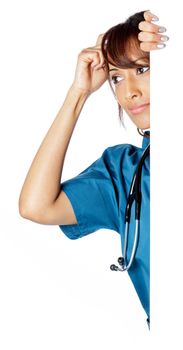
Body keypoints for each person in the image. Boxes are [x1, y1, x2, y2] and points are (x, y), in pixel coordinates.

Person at [19, 10, 168, 328]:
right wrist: (79, 93)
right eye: (116, 77)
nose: (129, 92)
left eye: (142, 69)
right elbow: (36, 206)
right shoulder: (124, 172)